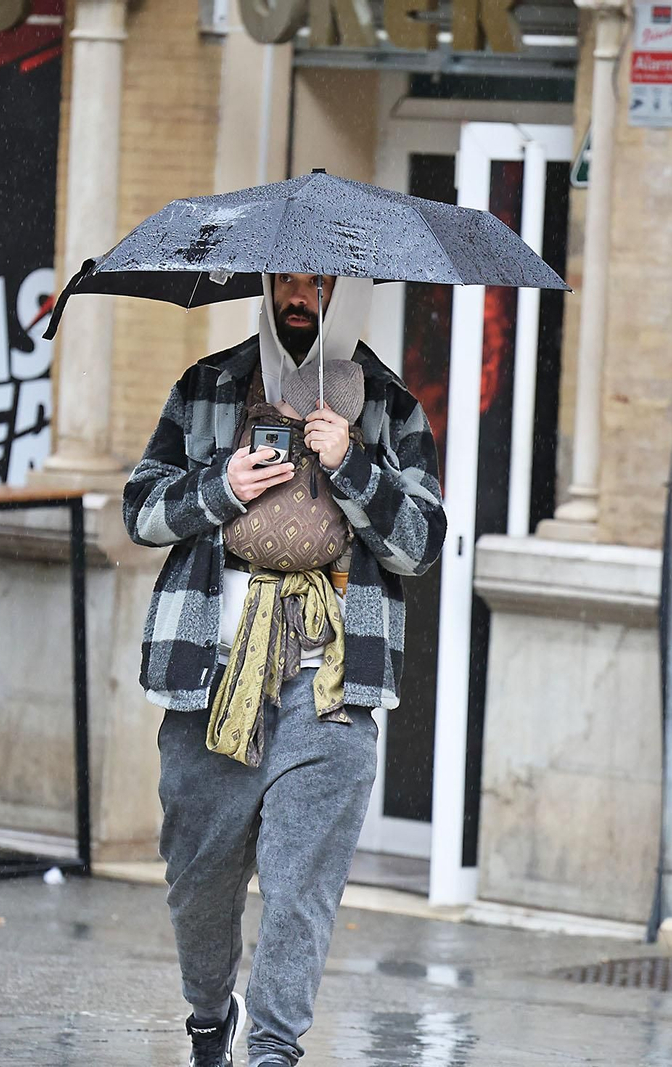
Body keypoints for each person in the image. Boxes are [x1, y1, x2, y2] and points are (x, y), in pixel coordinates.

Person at [123, 271, 446, 1066]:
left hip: (330, 684)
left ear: (348, 289)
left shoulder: (390, 406)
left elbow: (421, 544)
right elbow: (139, 509)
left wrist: (354, 464)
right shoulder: (208, 386)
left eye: (319, 280)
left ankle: (273, 1049)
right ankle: (209, 1017)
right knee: (199, 879)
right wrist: (217, 486)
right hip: (211, 676)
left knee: (300, 888)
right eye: (287, 280)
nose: (300, 296)